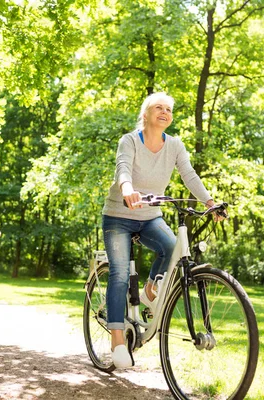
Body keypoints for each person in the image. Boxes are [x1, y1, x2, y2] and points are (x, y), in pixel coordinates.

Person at [101, 92, 223, 368]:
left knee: (172, 248)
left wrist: (210, 202)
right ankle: (118, 342)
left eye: (169, 109)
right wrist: (127, 189)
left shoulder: (175, 145)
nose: (165, 112)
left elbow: (189, 175)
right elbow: (123, 168)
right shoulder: (130, 140)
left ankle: (149, 290)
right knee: (120, 273)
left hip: (150, 216)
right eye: (159, 107)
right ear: (145, 114)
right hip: (119, 215)